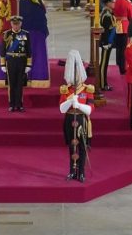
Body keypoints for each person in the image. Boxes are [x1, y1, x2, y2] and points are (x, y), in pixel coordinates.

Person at [59, 49, 94, 183]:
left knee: (82, 147)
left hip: (81, 119)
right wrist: (69, 101)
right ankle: (72, 171)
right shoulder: (65, 89)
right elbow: (62, 109)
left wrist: (78, 105)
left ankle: (81, 172)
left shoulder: (87, 89)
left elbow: (90, 109)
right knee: (71, 147)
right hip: (69, 118)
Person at [0, 15, 31, 112]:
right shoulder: (6, 34)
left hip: (21, 61)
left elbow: (29, 50)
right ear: (11, 24)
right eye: (14, 24)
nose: (16, 26)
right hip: (11, 62)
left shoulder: (25, 34)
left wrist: (28, 65)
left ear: (21, 24)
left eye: (17, 24)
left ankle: (19, 104)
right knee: (11, 84)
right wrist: (2, 64)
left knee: (20, 84)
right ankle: (12, 104)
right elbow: (3, 50)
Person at [112, 0, 132, 75]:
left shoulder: (114, 1)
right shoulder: (128, 2)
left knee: (118, 48)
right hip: (125, 27)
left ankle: (118, 65)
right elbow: (131, 16)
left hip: (116, 26)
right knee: (124, 49)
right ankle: (123, 67)